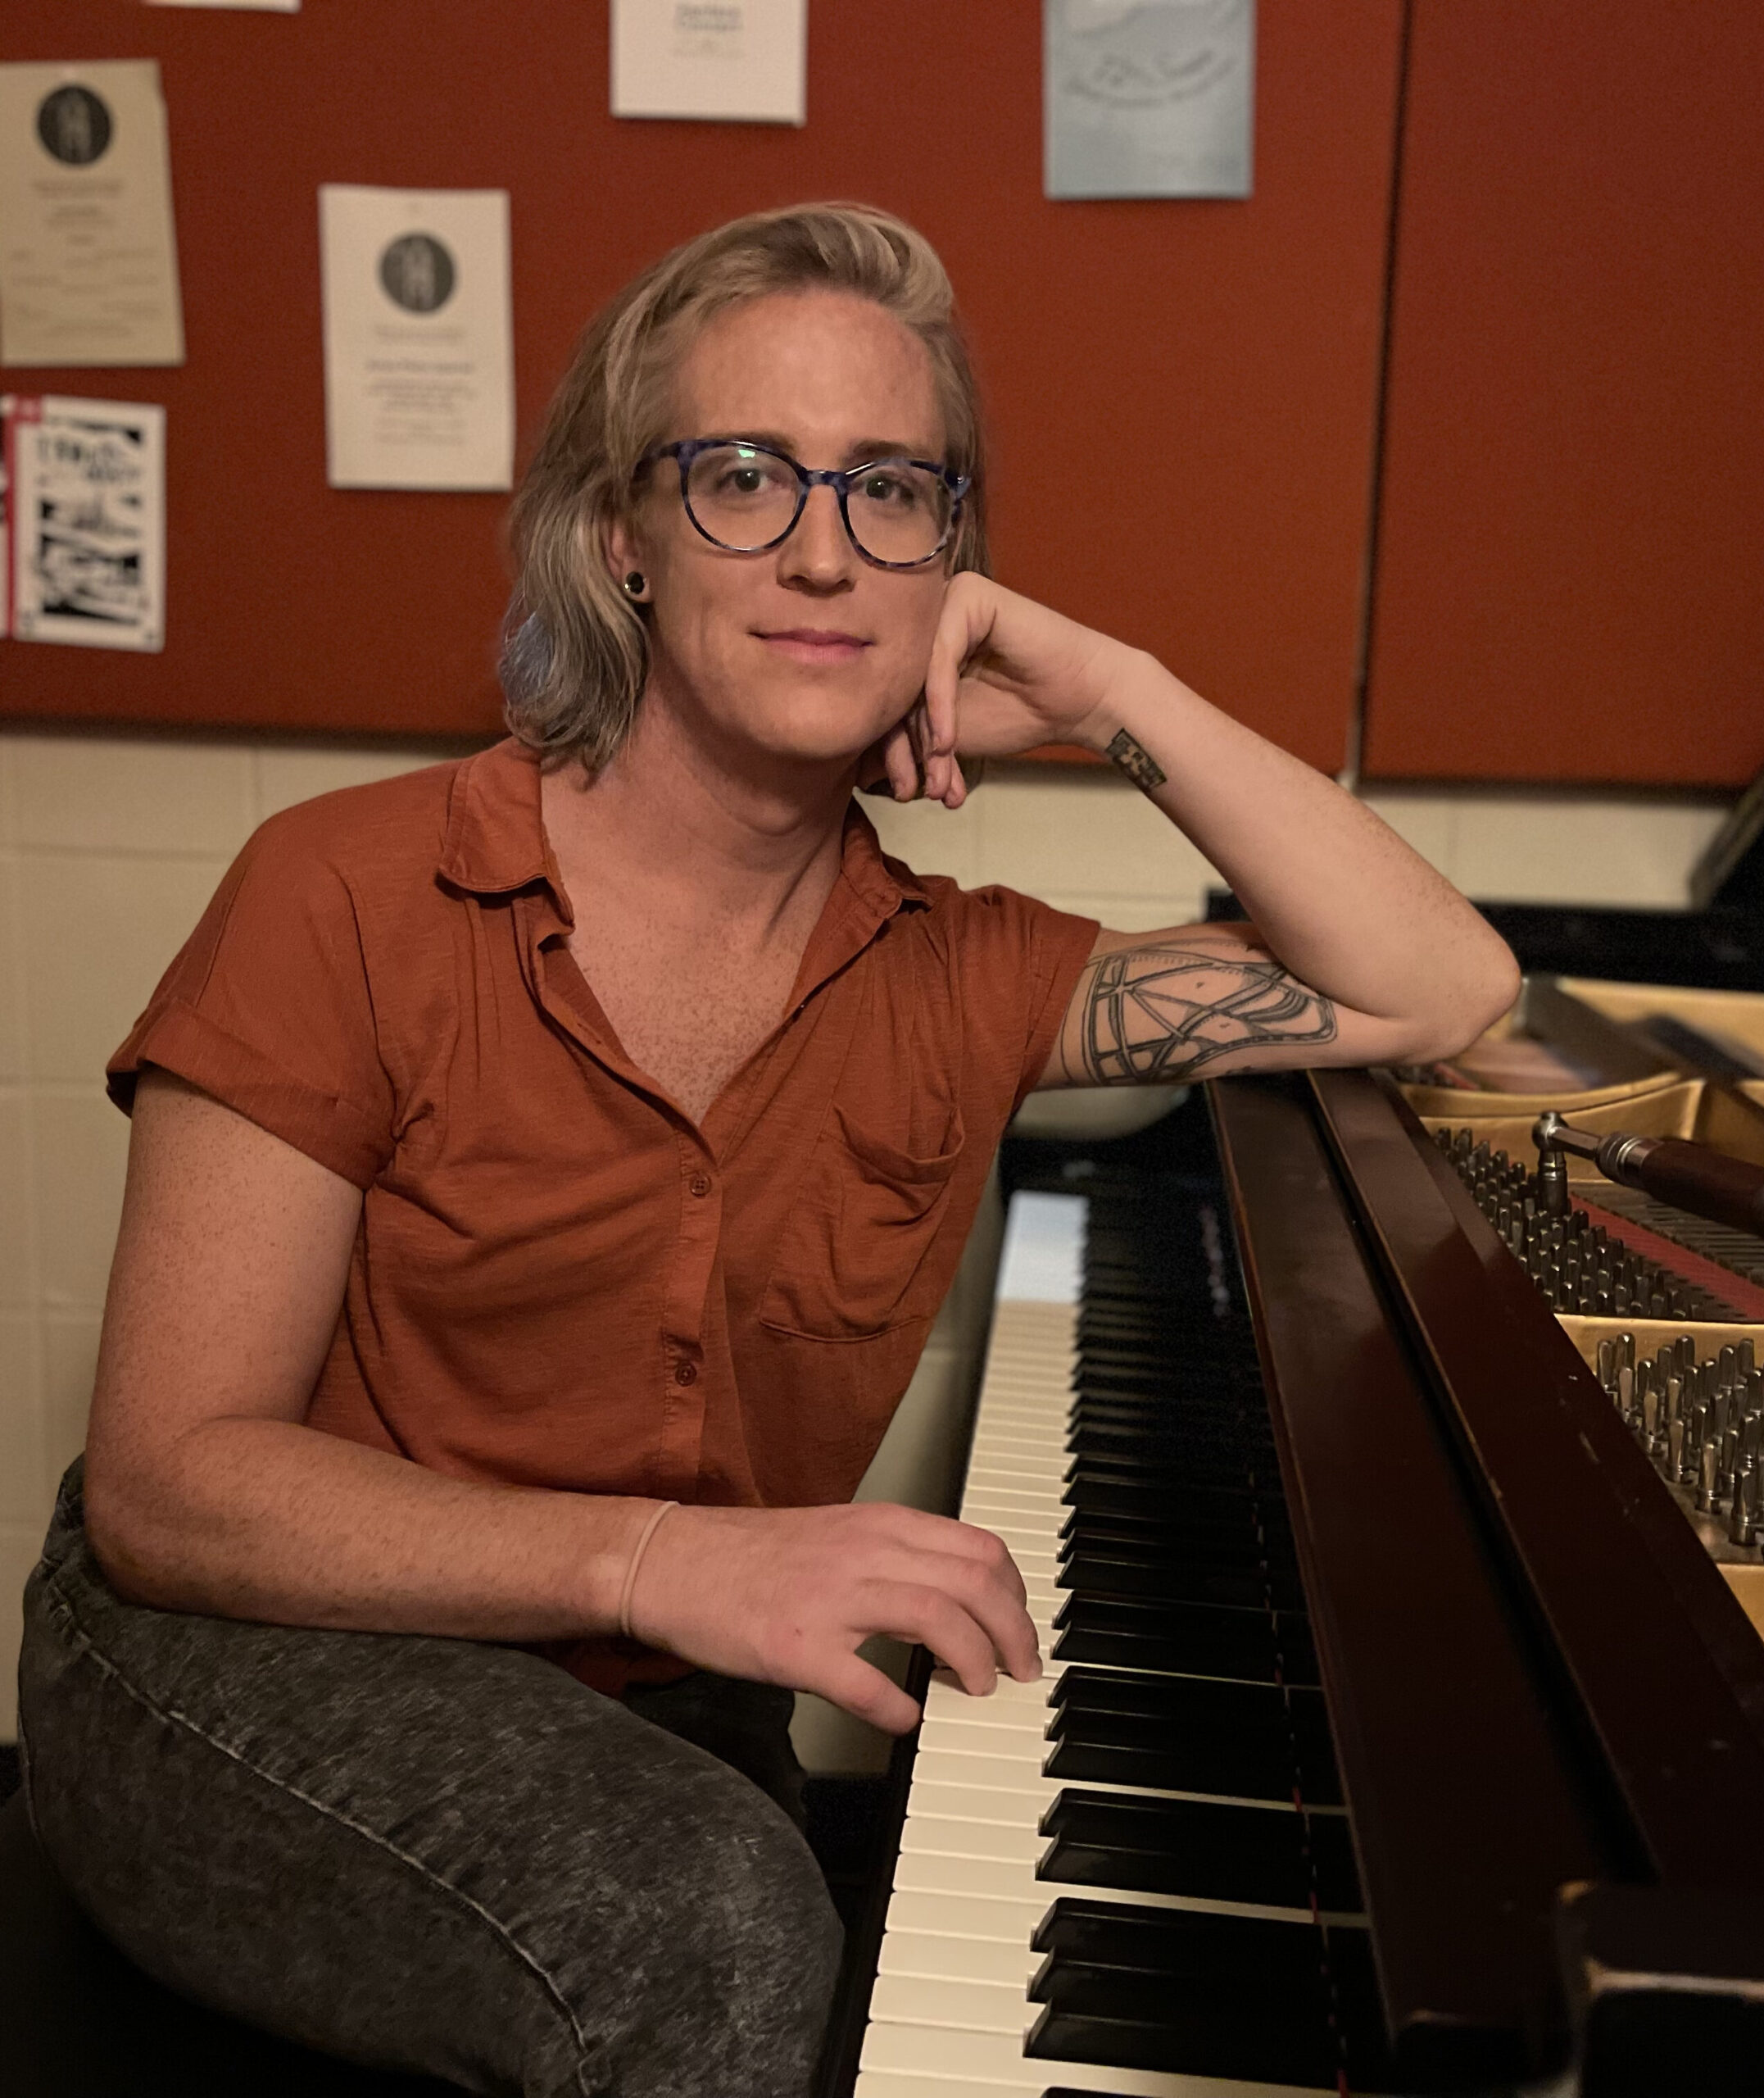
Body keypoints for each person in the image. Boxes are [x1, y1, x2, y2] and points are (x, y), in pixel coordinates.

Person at [16, 203, 1518, 2096]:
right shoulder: (345, 890)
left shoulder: (959, 975)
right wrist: (664, 1561)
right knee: (724, 1917)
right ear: (616, 538)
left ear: (951, 560)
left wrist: (1107, 686)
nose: (823, 546)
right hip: (232, 1651)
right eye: (742, 475)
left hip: (645, 1679)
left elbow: (1436, 986)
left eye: (893, 489)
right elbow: (171, 1488)